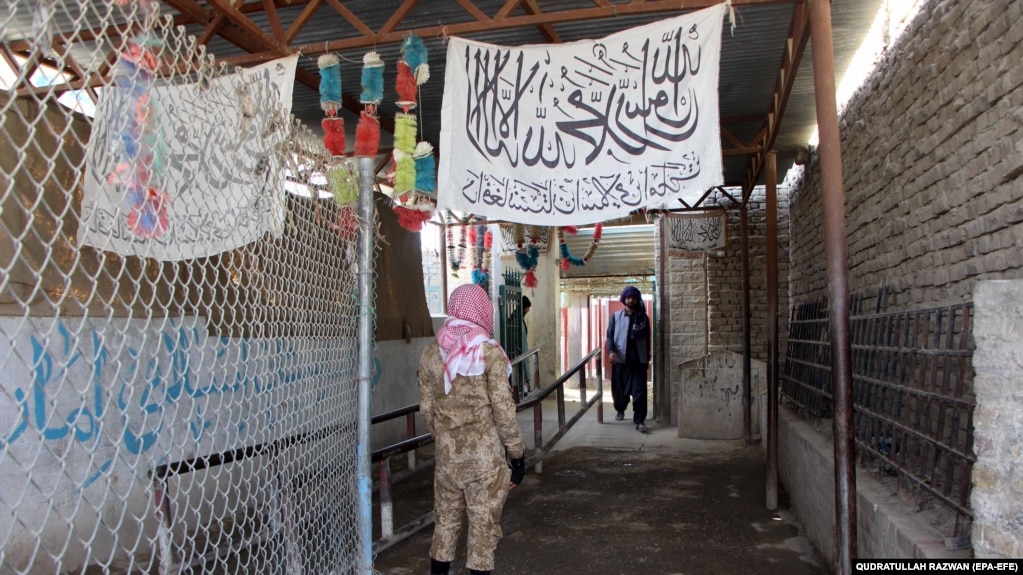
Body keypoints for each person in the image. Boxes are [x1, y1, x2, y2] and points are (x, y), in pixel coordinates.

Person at [418, 283, 526, 575]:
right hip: (485, 461)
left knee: (446, 523)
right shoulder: (488, 354)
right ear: (481, 310)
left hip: (448, 460)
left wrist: (443, 438)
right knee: (483, 527)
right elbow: (504, 410)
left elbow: (427, 409)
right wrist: (516, 454)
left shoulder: (431, 353)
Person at [605, 285, 651, 433]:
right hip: (621, 360)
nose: (630, 300)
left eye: (633, 297)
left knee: (639, 392)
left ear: (637, 299)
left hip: (638, 362)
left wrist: (647, 358)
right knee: (619, 392)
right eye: (628, 297)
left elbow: (647, 339)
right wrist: (611, 352)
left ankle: (640, 420)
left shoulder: (643, 318)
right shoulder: (616, 317)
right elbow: (610, 337)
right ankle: (620, 409)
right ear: (624, 299)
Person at [521, 295, 531, 391]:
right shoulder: (517, 320)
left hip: (523, 349)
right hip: (520, 350)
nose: (528, 310)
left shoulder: (520, 319)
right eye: (527, 307)